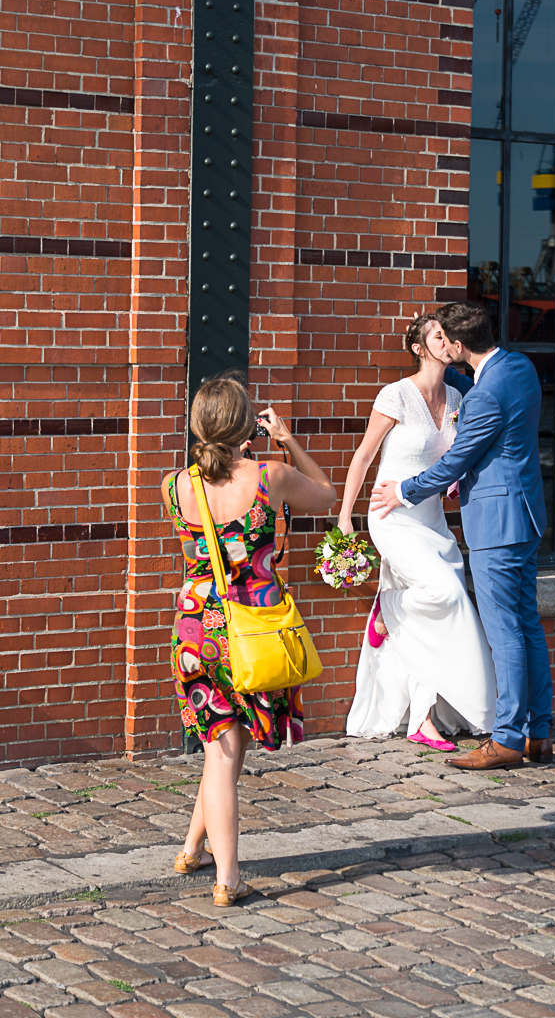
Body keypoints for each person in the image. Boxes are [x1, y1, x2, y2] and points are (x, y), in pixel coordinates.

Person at [161, 374, 335, 906]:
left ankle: (193, 847)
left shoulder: (175, 485)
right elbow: (327, 495)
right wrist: (286, 437)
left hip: (195, 630)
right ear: (245, 426)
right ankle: (228, 878)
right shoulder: (270, 475)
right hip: (248, 628)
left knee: (218, 743)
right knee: (226, 753)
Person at [371, 303, 552, 772]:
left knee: (506, 630)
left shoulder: (481, 396)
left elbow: (456, 461)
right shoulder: (519, 366)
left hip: (497, 521)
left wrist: (404, 491)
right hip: (527, 514)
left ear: (456, 345)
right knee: (528, 624)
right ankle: (539, 732)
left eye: (444, 339)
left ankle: (509, 738)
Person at [339, 315, 496, 749]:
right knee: (445, 592)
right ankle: (386, 606)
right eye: (438, 336)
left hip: (431, 518)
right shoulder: (396, 395)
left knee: (436, 613)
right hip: (390, 516)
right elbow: (364, 457)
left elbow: (459, 456)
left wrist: (453, 483)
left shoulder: (459, 394)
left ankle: (422, 721)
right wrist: (345, 516)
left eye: (449, 336)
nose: (447, 342)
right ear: (419, 347)